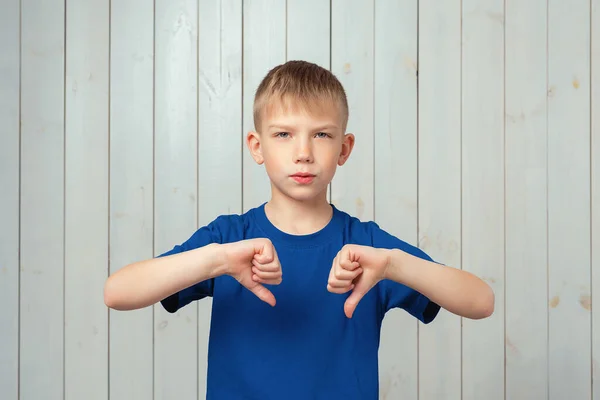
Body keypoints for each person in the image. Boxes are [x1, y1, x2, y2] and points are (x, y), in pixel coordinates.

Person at [104, 60, 494, 399]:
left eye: (321, 134)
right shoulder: (227, 239)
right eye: (283, 134)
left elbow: (481, 301)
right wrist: (216, 261)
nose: (303, 152)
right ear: (257, 147)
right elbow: (117, 292)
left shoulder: (370, 249)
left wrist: (394, 265)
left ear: (344, 148)